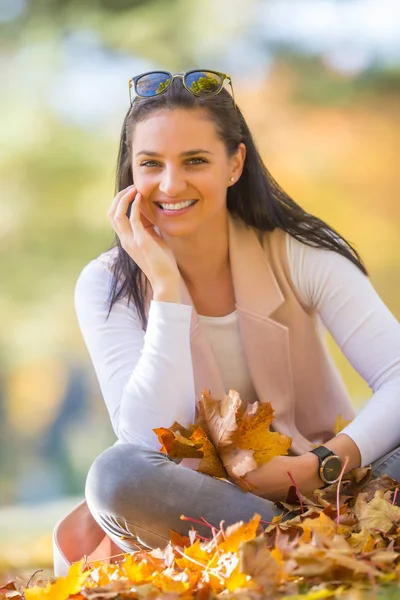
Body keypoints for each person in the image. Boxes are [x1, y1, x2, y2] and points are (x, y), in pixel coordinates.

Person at [53, 69, 400, 573]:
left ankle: (311, 539)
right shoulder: (107, 282)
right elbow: (147, 441)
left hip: (336, 484)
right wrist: (168, 291)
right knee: (116, 476)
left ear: (235, 163)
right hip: (208, 508)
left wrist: (320, 464)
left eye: (195, 160)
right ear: (131, 170)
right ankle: (297, 544)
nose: (171, 185)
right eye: (151, 164)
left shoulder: (299, 252)